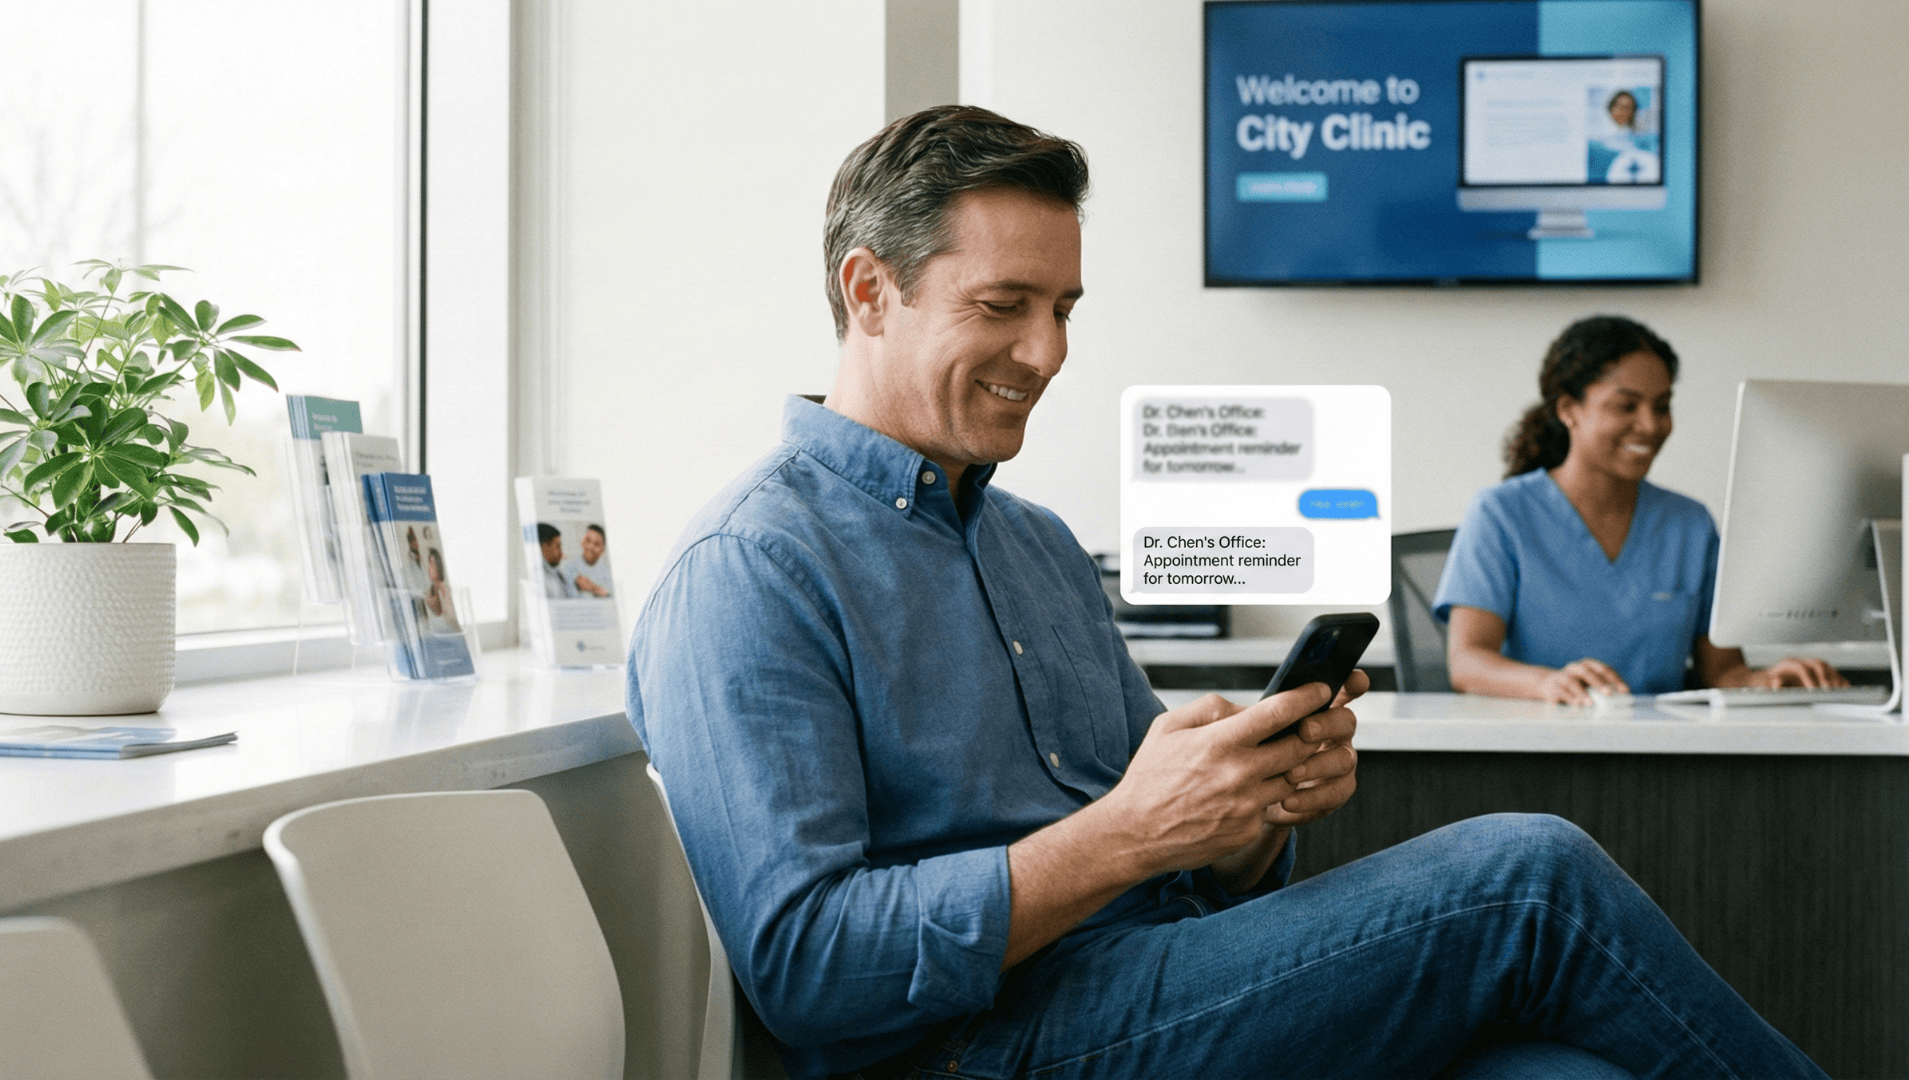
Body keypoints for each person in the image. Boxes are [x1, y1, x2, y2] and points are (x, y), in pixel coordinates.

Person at [626, 107, 1825, 1079]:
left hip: (1160, 987)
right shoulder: (749, 568)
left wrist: (1248, 822)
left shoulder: (1038, 546)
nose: (1049, 354)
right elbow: (805, 969)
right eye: (1003, 306)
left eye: (1064, 310)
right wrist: (1126, 835)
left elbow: (1182, 864)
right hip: (970, 1046)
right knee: (1532, 877)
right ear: (869, 291)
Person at [1436, 315, 1845, 705]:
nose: (1650, 425)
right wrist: (1548, 684)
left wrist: (1769, 680)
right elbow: (1468, 663)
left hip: (1660, 747)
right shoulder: (1501, 515)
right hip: (1538, 740)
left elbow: (1722, 671)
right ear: (1568, 410)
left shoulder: (1690, 525)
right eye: (1626, 406)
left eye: (1662, 406)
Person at [534, 522, 575, 599]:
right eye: (558, 546)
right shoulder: (541, 581)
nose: (561, 553)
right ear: (545, 548)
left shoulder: (557, 575)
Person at [572, 524, 612, 598]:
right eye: (588, 540)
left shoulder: (608, 573)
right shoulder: (569, 565)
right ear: (583, 542)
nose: (590, 547)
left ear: (602, 550)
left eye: (596, 544)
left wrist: (592, 588)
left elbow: (612, 596)